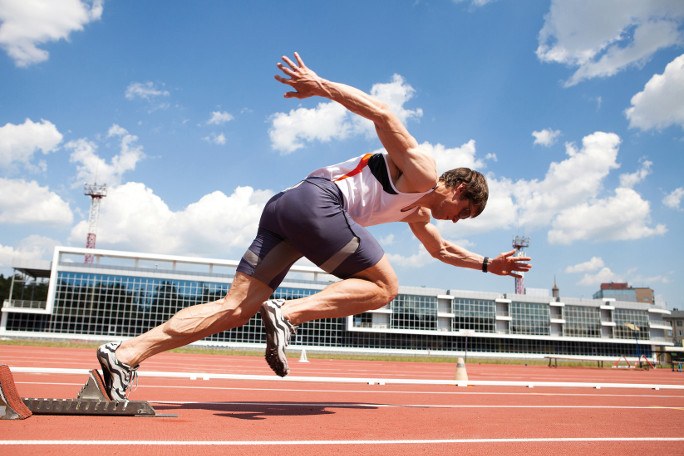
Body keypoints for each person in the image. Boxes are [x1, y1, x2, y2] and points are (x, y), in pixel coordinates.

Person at [96, 52, 532, 400]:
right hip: (319, 201)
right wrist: (319, 84)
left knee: (235, 308)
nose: (457, 220)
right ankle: (288, 313)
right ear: (458, 189)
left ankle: (127, 354)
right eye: (464, 213)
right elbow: (382, 114)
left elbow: (440, 251)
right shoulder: (422, 172)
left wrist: (487, 264)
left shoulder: (416, 211)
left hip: (285, 210)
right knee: (384, 286)